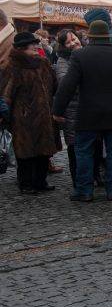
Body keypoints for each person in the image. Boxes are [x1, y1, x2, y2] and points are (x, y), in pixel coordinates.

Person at [52, 20, 112, 202]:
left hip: (88, 112)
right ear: (108, 36)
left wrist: (58, 110)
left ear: (90, 37)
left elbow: (67, 86)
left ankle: (85, 190)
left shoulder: (81, 56)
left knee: (84, 151)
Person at [1, 32, 59, 194]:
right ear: (20, 48)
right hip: (22, 119)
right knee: (25, 153)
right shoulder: (10, 67)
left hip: (44, 116)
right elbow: (6, 95)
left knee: (44, 150)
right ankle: (25, 184)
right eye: (31, 44)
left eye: (36, 43)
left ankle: (41, 181)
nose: (36, 46)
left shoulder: (43, 63)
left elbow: (55, 86)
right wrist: (6, 118)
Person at [53, 29, 83, 187]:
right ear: (63, 45)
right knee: (73, 146)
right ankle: (77, 180)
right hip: (72, 109)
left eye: (74, 39)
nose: (73, 43)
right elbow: (66, 84)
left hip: (86, 107)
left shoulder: (85, 53)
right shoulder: (63, 61)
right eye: (68, 42)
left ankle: (93, 176)